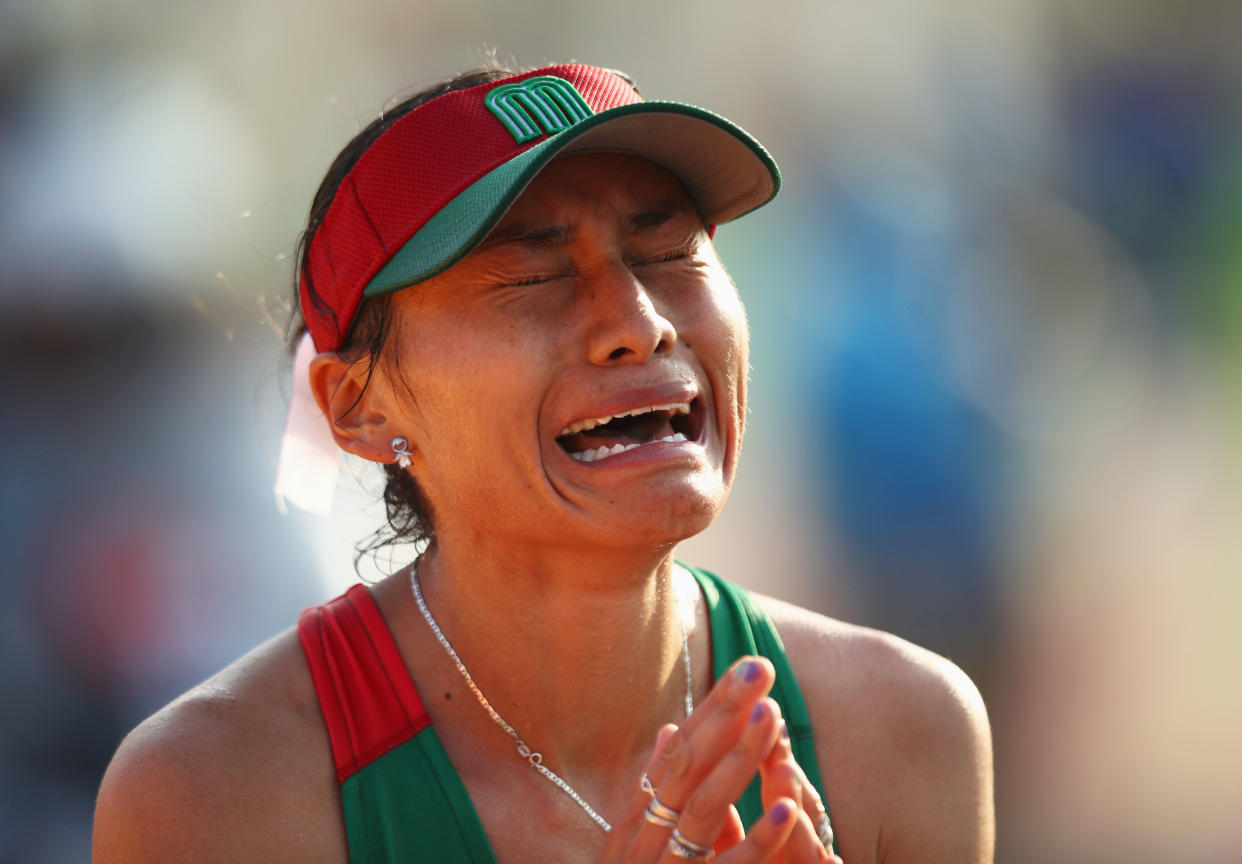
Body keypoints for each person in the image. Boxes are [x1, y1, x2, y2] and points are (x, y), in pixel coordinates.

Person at [92, 63, 994, 863]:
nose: (641, 322)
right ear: (358, 407)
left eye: (669, 249)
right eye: (533, 276)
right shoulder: (218, 791)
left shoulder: (901, 731)